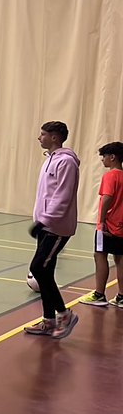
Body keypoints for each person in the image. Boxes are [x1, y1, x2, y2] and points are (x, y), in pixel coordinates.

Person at [24, 121, 80, 338]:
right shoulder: (50, 160)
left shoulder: (66, 163)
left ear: (55, 137)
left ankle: (65, 315)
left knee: (37, 268)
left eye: (43, 134)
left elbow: (62, 197)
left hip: (56, 227)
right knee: (45, 271)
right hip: (46, 225)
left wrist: (43, 220)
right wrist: (39, 219)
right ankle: (48, 321)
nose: (39, 138)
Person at [78, 141, 123, 308]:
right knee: (120, 259)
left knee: (100, 256)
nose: (102, 160)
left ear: (113, 157)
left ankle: (99, 294)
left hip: (108, 226)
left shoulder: (110, 176)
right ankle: (121, 297)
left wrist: (102, 221)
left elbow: (107, 198)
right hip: (121, 226)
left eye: (104, 156)